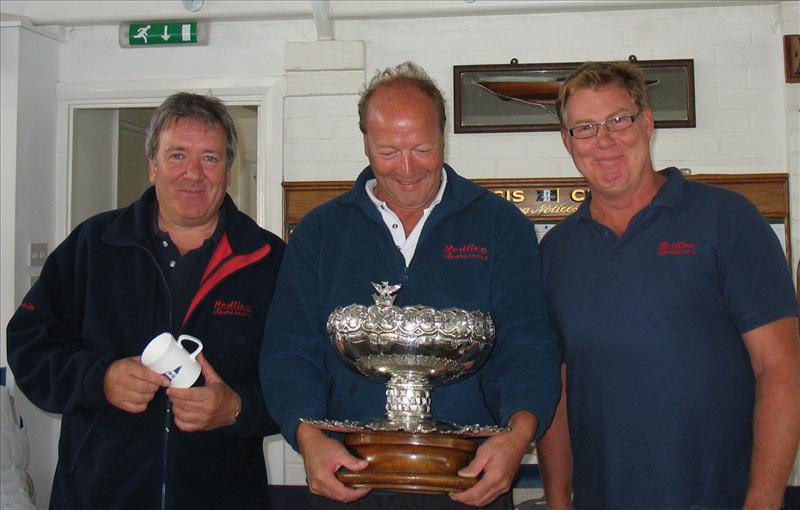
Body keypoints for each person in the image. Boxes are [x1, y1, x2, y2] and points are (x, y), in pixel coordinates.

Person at [260, 61, 561, 509]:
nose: (406, 169)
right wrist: (308, 438)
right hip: (348, 483)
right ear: (365, 142)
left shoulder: (500, 226)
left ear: (443, 137)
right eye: (388, 150)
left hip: (469, 482)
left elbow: (528, 345)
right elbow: (289, 352)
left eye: (422, 148)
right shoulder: (319, 233)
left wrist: (517, 439)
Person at [536, 61, 800, 509]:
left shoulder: (728, 220)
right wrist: (559, 500)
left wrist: (763, 501)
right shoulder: (555, 253)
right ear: (568, 142)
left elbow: (782, 369)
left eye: (619, 120)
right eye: (585, 127)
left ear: (648, 123)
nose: (604, 140)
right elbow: (555, 390)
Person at [6, 92, 285, 509]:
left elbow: (300, 375)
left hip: (223, 496)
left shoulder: (268, 260)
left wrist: (238, 409)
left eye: (210, 158)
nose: (193, 173)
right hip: (97, 496)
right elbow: (28, 344)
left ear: (229, 172)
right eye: (177, 156)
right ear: (153, 167)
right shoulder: (93, 246)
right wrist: (99, 378)